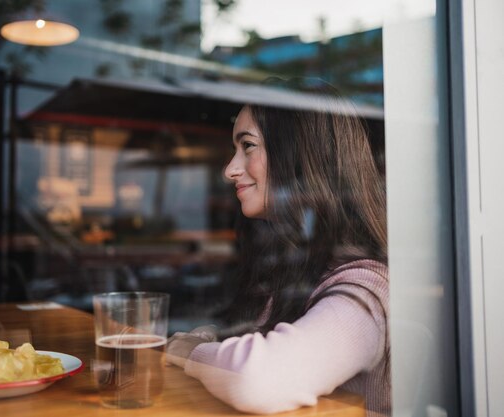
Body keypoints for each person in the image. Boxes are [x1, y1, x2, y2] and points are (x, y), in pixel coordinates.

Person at [166, 92, 389, 416]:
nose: (230, 169)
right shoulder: (299, 268)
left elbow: (258, 379)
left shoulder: (367, 290)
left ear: (300, 155)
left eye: (248, 146)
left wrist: (192, 351)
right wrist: (216, 339)